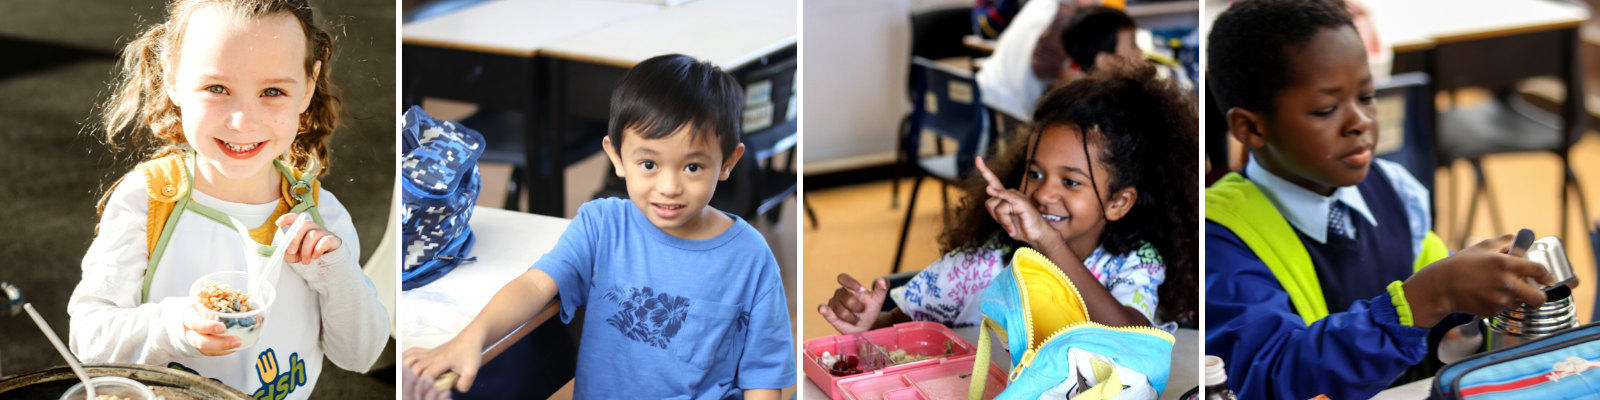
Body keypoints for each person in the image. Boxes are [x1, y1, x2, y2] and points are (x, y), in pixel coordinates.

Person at [1204, 1, 1557, 399]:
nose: (1360, 122)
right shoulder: (1217, 240)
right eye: (1325, 109)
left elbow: (1441, 325)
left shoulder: (1396, 188)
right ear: (1250, 127)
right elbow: (1266, 377)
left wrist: (1476, 293)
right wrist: (1428, 295)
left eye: (1367, 96)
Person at [403, 54, 795, 399]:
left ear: (728, 161)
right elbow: (535, 285)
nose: (670, 186)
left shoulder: (750, 257)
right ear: (616, 156)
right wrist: (470, 340)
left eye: (693, 167)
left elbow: (763, 371)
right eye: (649, 164)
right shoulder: (602, 224)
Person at [68, 1, 389, 398]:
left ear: (307, 88)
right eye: (217, 88)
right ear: (171, 76)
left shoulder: (321, 219)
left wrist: (337, 275)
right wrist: (177, 326)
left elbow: (360, 355)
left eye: (273, 91)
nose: (242, 121)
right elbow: (88, 341)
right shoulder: (148, 199)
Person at [822, 64, 1198, 336]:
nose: (1045, 193)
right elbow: (906, 325)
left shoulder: (1135, 261)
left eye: (1070, 181)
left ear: (1119, 202)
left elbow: (1129, 336)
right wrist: (870, 322)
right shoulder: (986, 260)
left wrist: (1049, 244)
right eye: (1034, 174)